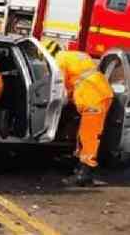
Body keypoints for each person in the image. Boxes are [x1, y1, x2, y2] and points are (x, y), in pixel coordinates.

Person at [42, 39, 114, 186]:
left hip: (92, 98)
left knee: (88, 136)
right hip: (100, 93)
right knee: (84, 134)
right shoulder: (76, 55)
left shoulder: (59, 61)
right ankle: (80, 169)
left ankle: (84, 174)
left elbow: (59, 88)